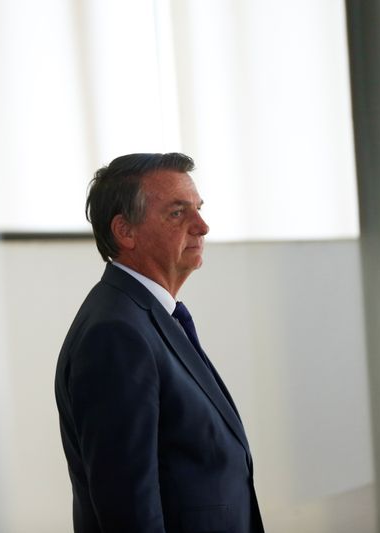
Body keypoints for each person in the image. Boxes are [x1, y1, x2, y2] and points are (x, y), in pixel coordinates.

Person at [55, 153, 264, 532]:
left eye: (198, 209)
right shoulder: (116, 333)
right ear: (125, 232)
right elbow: (128, 510)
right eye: (177, 213)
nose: (202, 226)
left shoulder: (146, 317)